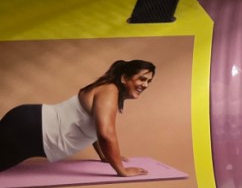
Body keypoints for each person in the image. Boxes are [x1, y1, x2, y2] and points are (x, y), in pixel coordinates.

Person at [0, 60, 156, 176]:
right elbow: (106, 134)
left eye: (149, 81)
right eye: (142, 79)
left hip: (31, 124)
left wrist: (103, 156)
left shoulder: (108, 90)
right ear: (124, 78)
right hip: (32, 130)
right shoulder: (110, 91)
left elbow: (94, 127)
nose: (146, 85)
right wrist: (121, 170)